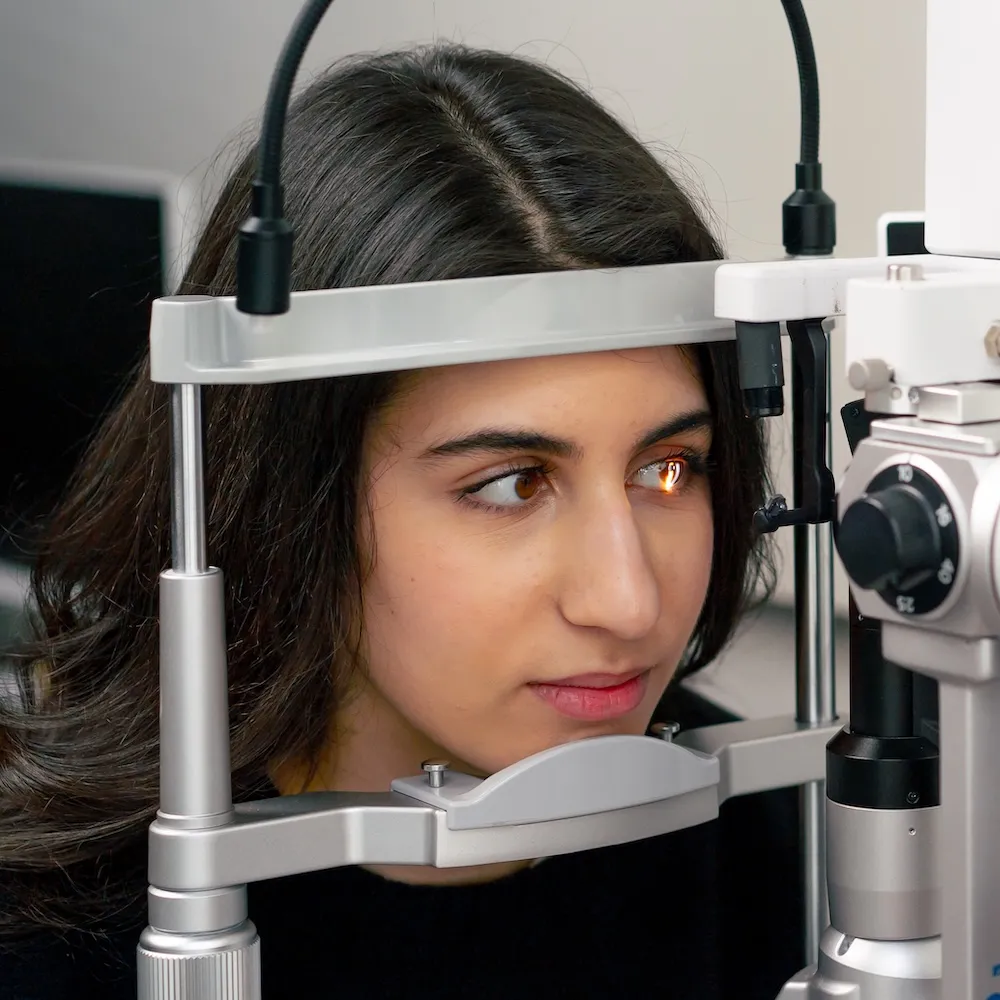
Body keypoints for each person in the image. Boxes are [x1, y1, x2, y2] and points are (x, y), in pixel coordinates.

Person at [0, 43, 802, 1000]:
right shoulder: (52, 928)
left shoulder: (760, 837)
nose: (626, 602)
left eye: (668, 470)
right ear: (295, 495)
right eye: (512, 485)